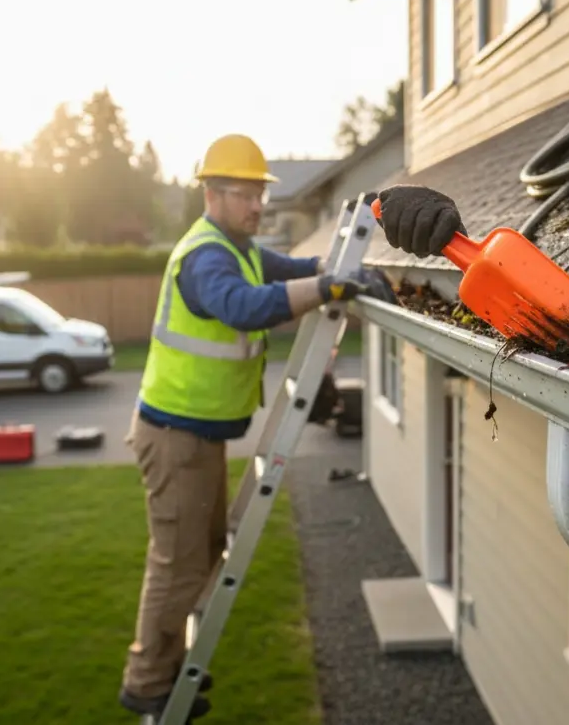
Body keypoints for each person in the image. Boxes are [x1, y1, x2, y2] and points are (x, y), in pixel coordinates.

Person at [118, 133, 396, 718]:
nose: (257, 206)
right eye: (245, 195)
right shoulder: (205, 257)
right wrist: (327, 287)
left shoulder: (239, 247)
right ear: (212, 194)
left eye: (259, 195)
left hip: (198, 436)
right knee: (177, 565)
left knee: (200, 554)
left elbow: (289, 268)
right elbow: (243, 305)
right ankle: (147, 681)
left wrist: (334, 269)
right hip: (175, 437)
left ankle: (168, 672)